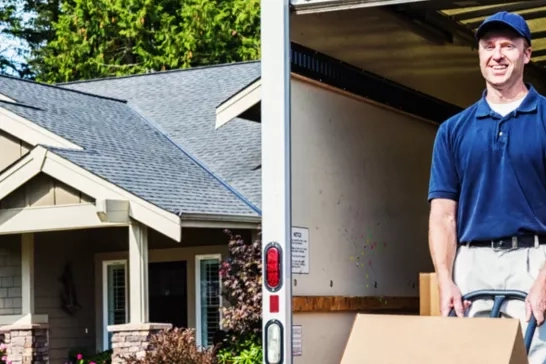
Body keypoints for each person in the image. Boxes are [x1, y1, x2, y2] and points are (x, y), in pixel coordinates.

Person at [428, 10, 546, 363]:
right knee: (470, 357)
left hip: (535, 260)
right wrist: (445, 279)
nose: (497, 54)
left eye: (508, 46)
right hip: (472, 263)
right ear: (479, 54)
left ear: (526, 54)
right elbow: (443, 216)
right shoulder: (453, 130)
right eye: (488, 46)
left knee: (536, 356)